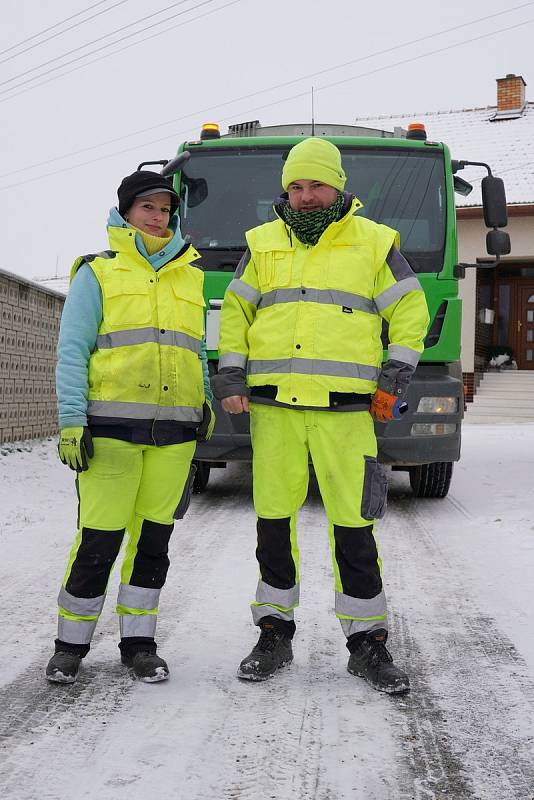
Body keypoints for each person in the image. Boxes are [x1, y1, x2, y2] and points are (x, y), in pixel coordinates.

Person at [212, 138, 429, 694]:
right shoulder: (261, 244)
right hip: (275, 408)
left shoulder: (375, 242)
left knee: (354, 524)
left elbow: (410, 310)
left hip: (347, 411)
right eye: (296, 186)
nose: (305, 196)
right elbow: (235, 312)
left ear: (338, 185)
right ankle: (274, 633)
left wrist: (393, 378)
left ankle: (367, 645)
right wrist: (230, 377)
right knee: (273, 521)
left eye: (316, 185)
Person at [46, 168, 214, 684]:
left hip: (175, 435)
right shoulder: (96, 273)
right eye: (147, 208)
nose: (158, 217)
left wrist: (204, 399)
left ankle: (139, 644)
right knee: (99, 539)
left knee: (153, 543)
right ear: (125, 213)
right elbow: (72, 351)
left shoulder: (191, 274)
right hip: (112, 430)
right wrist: (72, 421)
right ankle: (70, 646)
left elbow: (196, 349)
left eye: (165, 210)